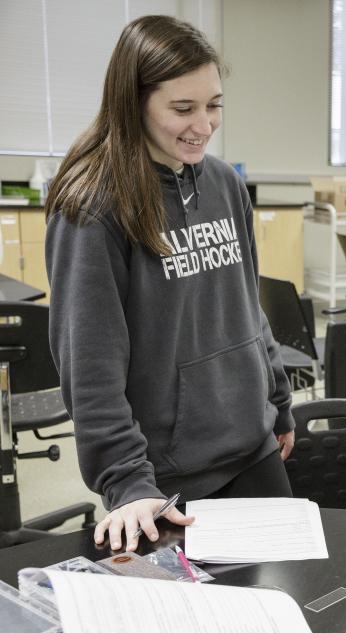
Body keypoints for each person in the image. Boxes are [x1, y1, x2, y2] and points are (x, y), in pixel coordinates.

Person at [45, 15, 295, 554]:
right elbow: (89, 362)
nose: (203, 125)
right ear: (133, 103)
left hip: (254, 447)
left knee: (284, 622)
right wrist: (126, 479)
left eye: (213, 105)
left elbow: (246, 305)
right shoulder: (93, 205)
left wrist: (278, 400)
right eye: (183, 109)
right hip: (164, 479)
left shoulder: (225, 183)